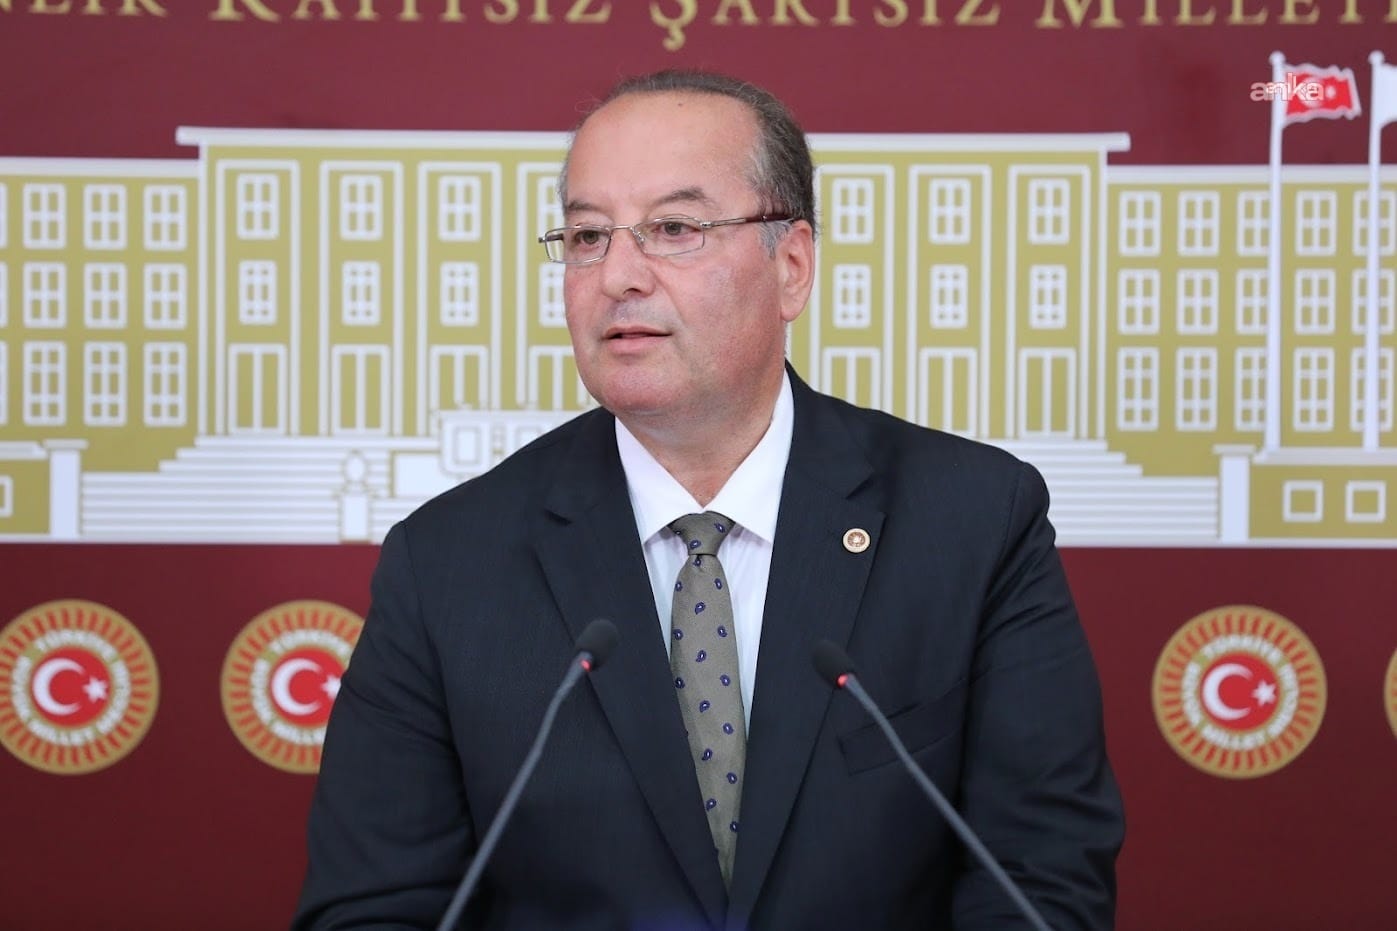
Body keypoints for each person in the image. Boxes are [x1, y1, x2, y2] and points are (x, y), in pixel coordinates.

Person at [294, 70, 1124, 930]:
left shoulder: (972, 522)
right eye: (587, 236)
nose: (618, 275)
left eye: (674, 228)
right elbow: (375, 908)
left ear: (791, 266)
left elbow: (1041, 881)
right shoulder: (446, 564)